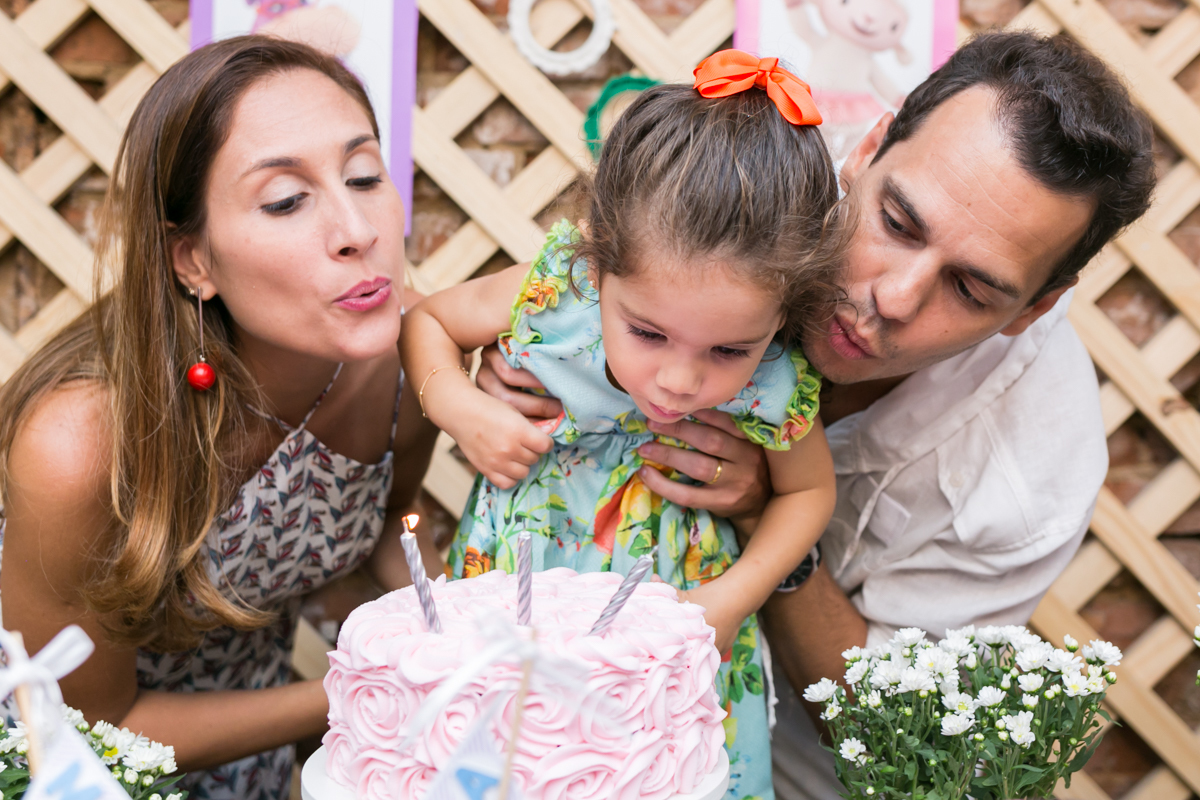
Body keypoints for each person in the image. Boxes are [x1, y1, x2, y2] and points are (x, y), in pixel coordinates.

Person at [476, 32, 1155, 799]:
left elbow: (886, 730)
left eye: (970, 289)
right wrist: (515, 375)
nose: (892, 299)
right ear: (864, 150)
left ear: (1033, 310)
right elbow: (584, 296)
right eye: (898, 223)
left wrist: (772, 522)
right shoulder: (756, 194)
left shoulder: (1033, 476)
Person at [0, 37, 439, 799]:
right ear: (191, 261)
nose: (355, 230)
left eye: (365, 176)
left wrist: (456, 629)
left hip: (254, 760)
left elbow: (380, 532)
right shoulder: (81, 445)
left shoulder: (402, 361)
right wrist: (370, 692)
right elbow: (92, 729)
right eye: (285, 200)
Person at [401, 52, 848, 797]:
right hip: (520, 598)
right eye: (647, 332)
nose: (678, 380)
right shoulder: (554, 293)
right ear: (597, 261)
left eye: (728, 350)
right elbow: (428, 323)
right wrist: (459, 405)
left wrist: (734, 599)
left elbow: (809, 494)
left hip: (679, 628)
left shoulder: (776, 376)